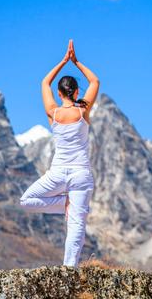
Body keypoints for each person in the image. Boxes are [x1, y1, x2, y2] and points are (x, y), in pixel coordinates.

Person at [19, 39, 100, 268]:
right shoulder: (83, 110)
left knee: (26, 200)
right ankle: (69, 268)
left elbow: (44, 81)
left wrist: (63, 61)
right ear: (75, 92)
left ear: (59, 92)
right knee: (76, 223)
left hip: (57, 173)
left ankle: (62, 202)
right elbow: (95, 81)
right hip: (81, 174)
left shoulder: (52, 113)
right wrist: (76, 62)